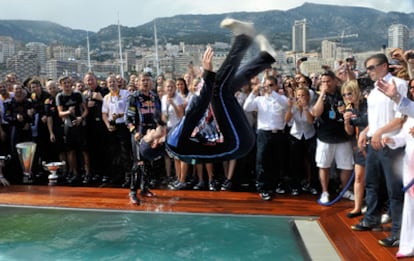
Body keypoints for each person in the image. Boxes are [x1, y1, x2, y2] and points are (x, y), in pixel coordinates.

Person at [166, 18, 276, 169]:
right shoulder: (172, 140)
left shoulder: (173, 140)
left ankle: (265, 58)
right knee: (217, 90)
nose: (149, 130)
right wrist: (208, 75)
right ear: (154, 143)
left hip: (238, 141)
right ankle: (244, 37)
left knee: (226, 89)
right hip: (236, 142)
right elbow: (194, 112)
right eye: (147, 135)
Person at [351, 53, 407, 248]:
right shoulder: (374, 90)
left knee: (394, 189)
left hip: (391, 144)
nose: (369, 72)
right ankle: (371, 218)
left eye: (372, 67)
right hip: (374, 142)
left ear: (384, 66)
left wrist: (380, 132)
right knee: (372, 184)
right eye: (367, 68)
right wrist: (364, 132)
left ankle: (398, 232)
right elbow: (375, 119)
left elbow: (401, 117)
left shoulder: (398, 85)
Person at [312, 70, 354, 204]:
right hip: (325, 137)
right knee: (324, 165)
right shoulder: (320, 96)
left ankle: (344, 189)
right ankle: (325, 191)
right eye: (323, 81)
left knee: (346, 165)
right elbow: (315, 113)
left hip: (343, 136)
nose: (325, 84)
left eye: (328, 81)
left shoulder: (343, 93)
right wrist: (322, 94)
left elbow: (352, 105)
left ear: (335, 81)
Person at [383, 117, 414, 258]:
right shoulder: (410, 116)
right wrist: (392, 140)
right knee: (410, 207)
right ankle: (408, 246)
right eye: (412, 92)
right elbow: (403, 137)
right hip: (409, 166)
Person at [341, 80, 368, 218]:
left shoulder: (368, 104)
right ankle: (357, 207)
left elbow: (376, 121)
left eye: (349, 93)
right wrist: (346, 121)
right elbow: (349, 131)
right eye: (345, 95)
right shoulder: (349, 108)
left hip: (373, 143)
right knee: (358, 177)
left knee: (375, 179)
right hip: (359, 145)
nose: (347, 97)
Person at [56, 76, 89, 184]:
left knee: (84, 150)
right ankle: (75, 173)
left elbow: (85, 110)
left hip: (80, 125)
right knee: (71, 151)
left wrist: (81, 118)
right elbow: (60, 113)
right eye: (64, 83)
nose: (67, 85)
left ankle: (87, 173)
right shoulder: (59, 96)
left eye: (69, 82)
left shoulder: (78, 94)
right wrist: (68, 112)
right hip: (68, 126)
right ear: (61, 85)